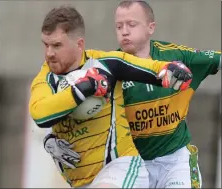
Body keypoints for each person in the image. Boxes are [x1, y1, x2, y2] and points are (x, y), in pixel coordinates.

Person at [29, 5, 192, 188]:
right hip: (81, 182)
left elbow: (151, 68)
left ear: (79, 44)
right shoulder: (45, 79)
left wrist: (172, 70)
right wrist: (84, 88)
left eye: (57, 45)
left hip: (120, 168)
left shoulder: (106, 64)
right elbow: (40, 114)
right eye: (46, 44)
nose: (49, 53)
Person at [114, 0, 221, 188]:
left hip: (175, 160)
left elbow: (216, 59)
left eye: (131, 24)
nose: (124, 31)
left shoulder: (175, 56)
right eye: (119, 26)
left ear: (150, 27)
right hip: (133, 163)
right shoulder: (110, 67)